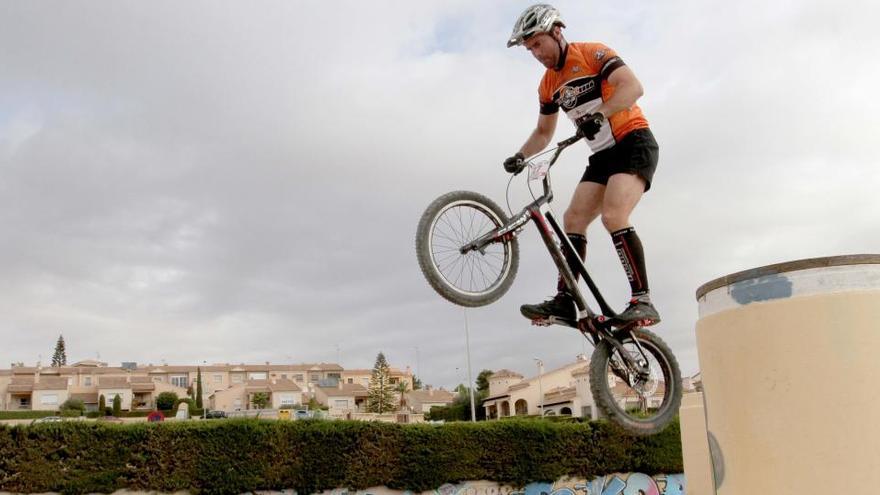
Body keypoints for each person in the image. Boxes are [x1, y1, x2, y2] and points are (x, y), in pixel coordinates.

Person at [503, 4, 661, 325]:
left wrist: (600, 113)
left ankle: (642, 300)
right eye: (529, 48)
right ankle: (565, 300)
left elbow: (632, 87)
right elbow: (544, 132)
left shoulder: (592, 53)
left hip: (633, 142)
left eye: (537, 43)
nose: (535, 53)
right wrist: (521, 156)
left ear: (557, 32)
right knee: (572, 219)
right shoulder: (548, 84)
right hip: (602, 156)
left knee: (614, 215)